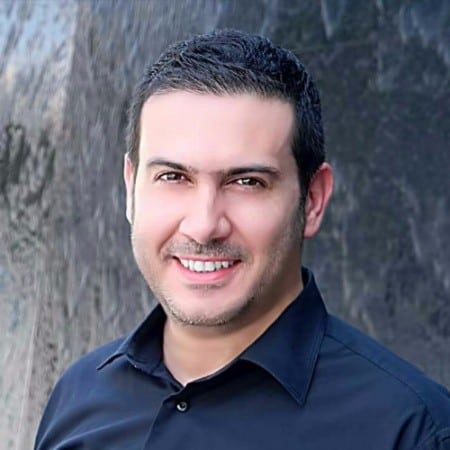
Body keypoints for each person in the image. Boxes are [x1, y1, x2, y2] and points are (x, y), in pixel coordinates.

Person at [35, 29, 450, 450]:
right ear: (131, 189)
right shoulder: (79, 397)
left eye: (247, 181)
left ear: (313, 200)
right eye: (173, 177)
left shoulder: (412, 431)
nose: (203, 226)